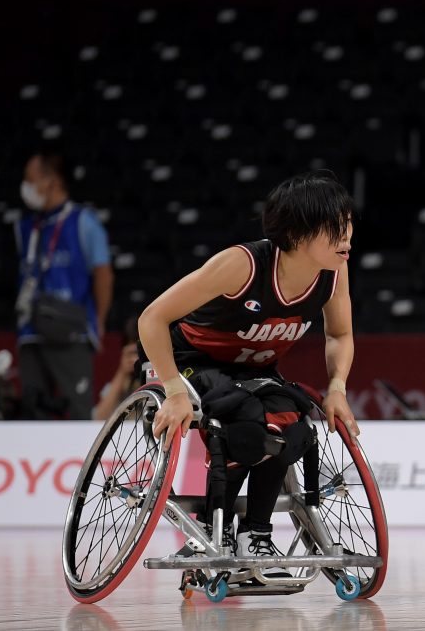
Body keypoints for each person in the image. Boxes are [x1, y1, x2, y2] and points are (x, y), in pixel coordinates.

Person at [140, 170, 360, 577]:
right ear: (296, 233)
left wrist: (337, 388)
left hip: (254, 370)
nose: (346, 236)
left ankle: (255, 535)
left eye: (347, 223)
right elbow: (152, 318)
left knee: (292, 423)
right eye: (334, 227)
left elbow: (340, 334)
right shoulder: (241, 265)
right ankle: (213, 528)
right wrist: (173, 389)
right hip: (193, 360)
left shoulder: (334, 271)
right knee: (244, 420)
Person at [14, 150, 113, 420]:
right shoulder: (26, 226)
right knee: (33, 414)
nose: (26, 186)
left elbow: (103, 275)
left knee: (80, 412)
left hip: (71, 332)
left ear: (52, 181)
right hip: (31, 331)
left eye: (30, 179)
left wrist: (99, 320)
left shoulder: (84, 222)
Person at [92, 317, 140, 421]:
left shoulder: (163, 376)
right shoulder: (122, 381)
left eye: (141, 353)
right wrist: (122, 372)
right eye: (133, 353)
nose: (137, 358)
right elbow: (99, 417)